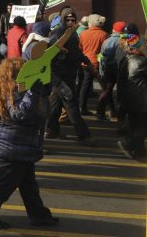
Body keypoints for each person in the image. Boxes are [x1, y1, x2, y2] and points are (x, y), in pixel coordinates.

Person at [0, 59, 58, 229]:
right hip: (13, 146)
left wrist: (43, 93)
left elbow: (40, 112)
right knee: (3, 185)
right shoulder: (7, 89)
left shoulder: (5, 86)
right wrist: (33, 93)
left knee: (28, 184)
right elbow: (19, 114)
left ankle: (39, 215)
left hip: (18, 144)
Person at [46, 8, 95, 146]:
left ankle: (51, 130)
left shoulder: (72, 33)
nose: (71, 21)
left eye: (73, 19)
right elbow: (49, 53)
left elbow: (76, 52)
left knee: (55, 105)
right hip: (59, 76)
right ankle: (84, 135)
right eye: (67, 19)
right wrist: (60, 53)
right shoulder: (57, 33)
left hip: (69, 74)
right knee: (71, 105)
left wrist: (86, 60)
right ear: (62, 19)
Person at [116, 33, 147, 160]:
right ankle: (129, 144)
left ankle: (139, 151)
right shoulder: (142, 62)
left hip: (130, 99)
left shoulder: (126, 59)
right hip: (142, 99)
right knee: (143, 126)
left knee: (136, 125)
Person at [78, 14, 108, 115]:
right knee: (105, 87)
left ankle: (82, 108)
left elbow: (80, 48)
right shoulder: (103, 34)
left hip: (85, 63)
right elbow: (105, 51)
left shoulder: (83, 34)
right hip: (97, 64)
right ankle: (102, 110)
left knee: (85, 85)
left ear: (90, 23)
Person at [97, 21, 125, 121]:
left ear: (114, 30)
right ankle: (120, 115)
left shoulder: (107, 41)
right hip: (120, 69)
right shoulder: (124, 41)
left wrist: (101, 70)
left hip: (108, 69)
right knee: (121, 92)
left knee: (107, 91)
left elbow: (101, 57)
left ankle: (101, 113)